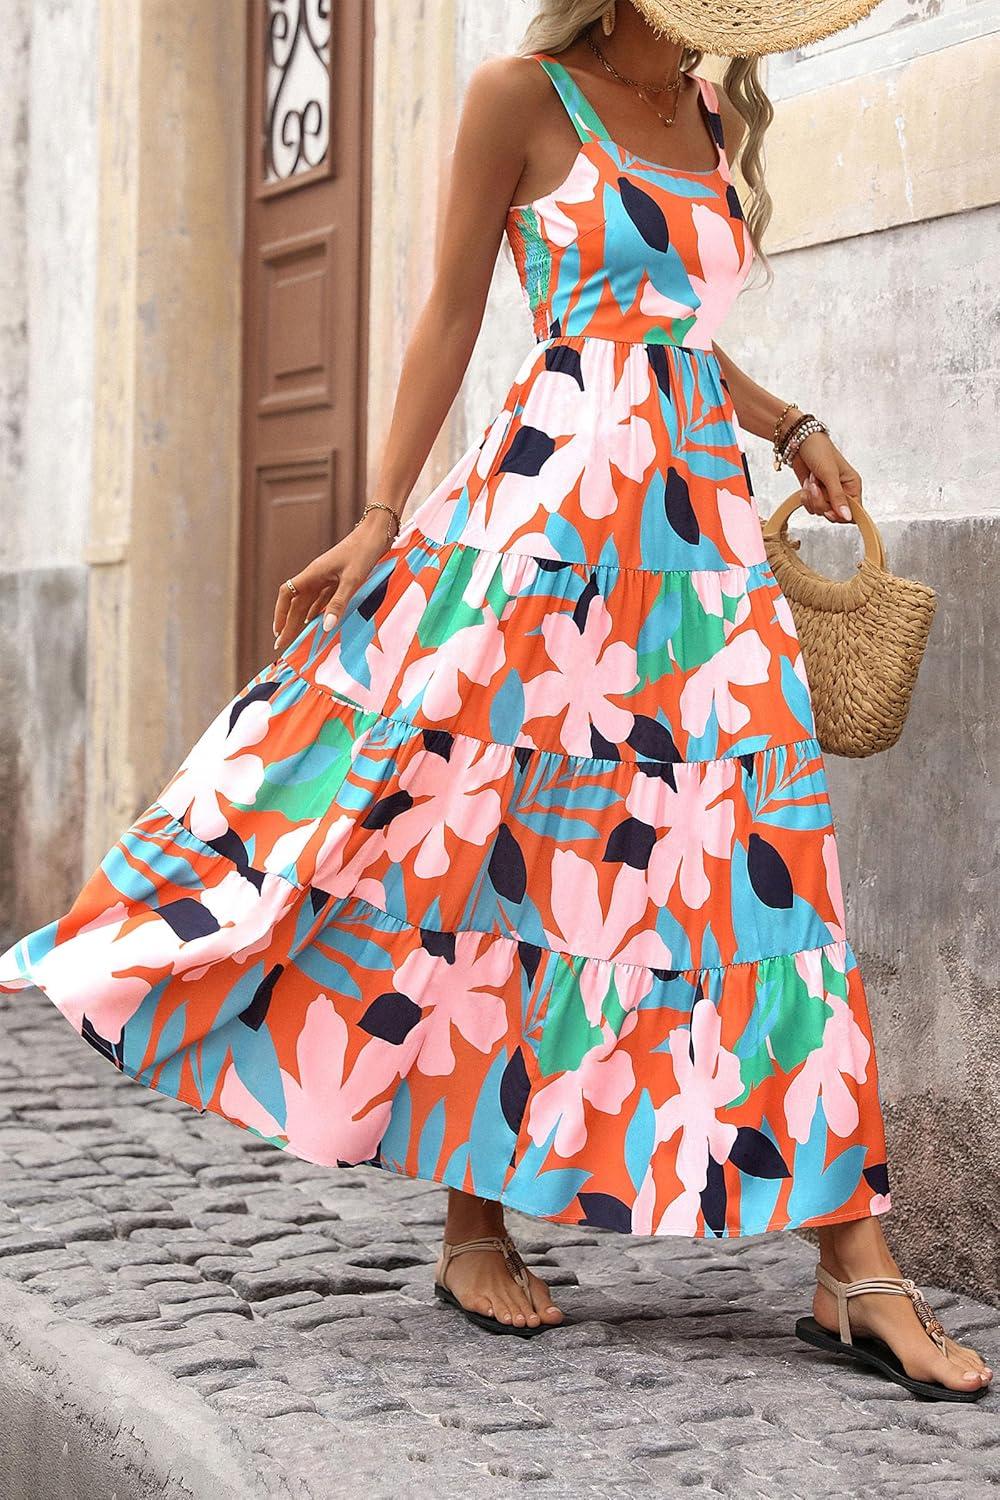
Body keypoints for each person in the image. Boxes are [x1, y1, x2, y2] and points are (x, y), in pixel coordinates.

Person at [0, 0, 991, 1400]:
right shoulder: (521, 96)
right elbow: (455, 312)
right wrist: (377, 514)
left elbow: (672, 332)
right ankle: (476, 1222)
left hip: (700, 551)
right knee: (504, 851)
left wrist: (795, 427)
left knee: (763, 871)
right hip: (551, 528)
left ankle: (852, 1265)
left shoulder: (708, 112)